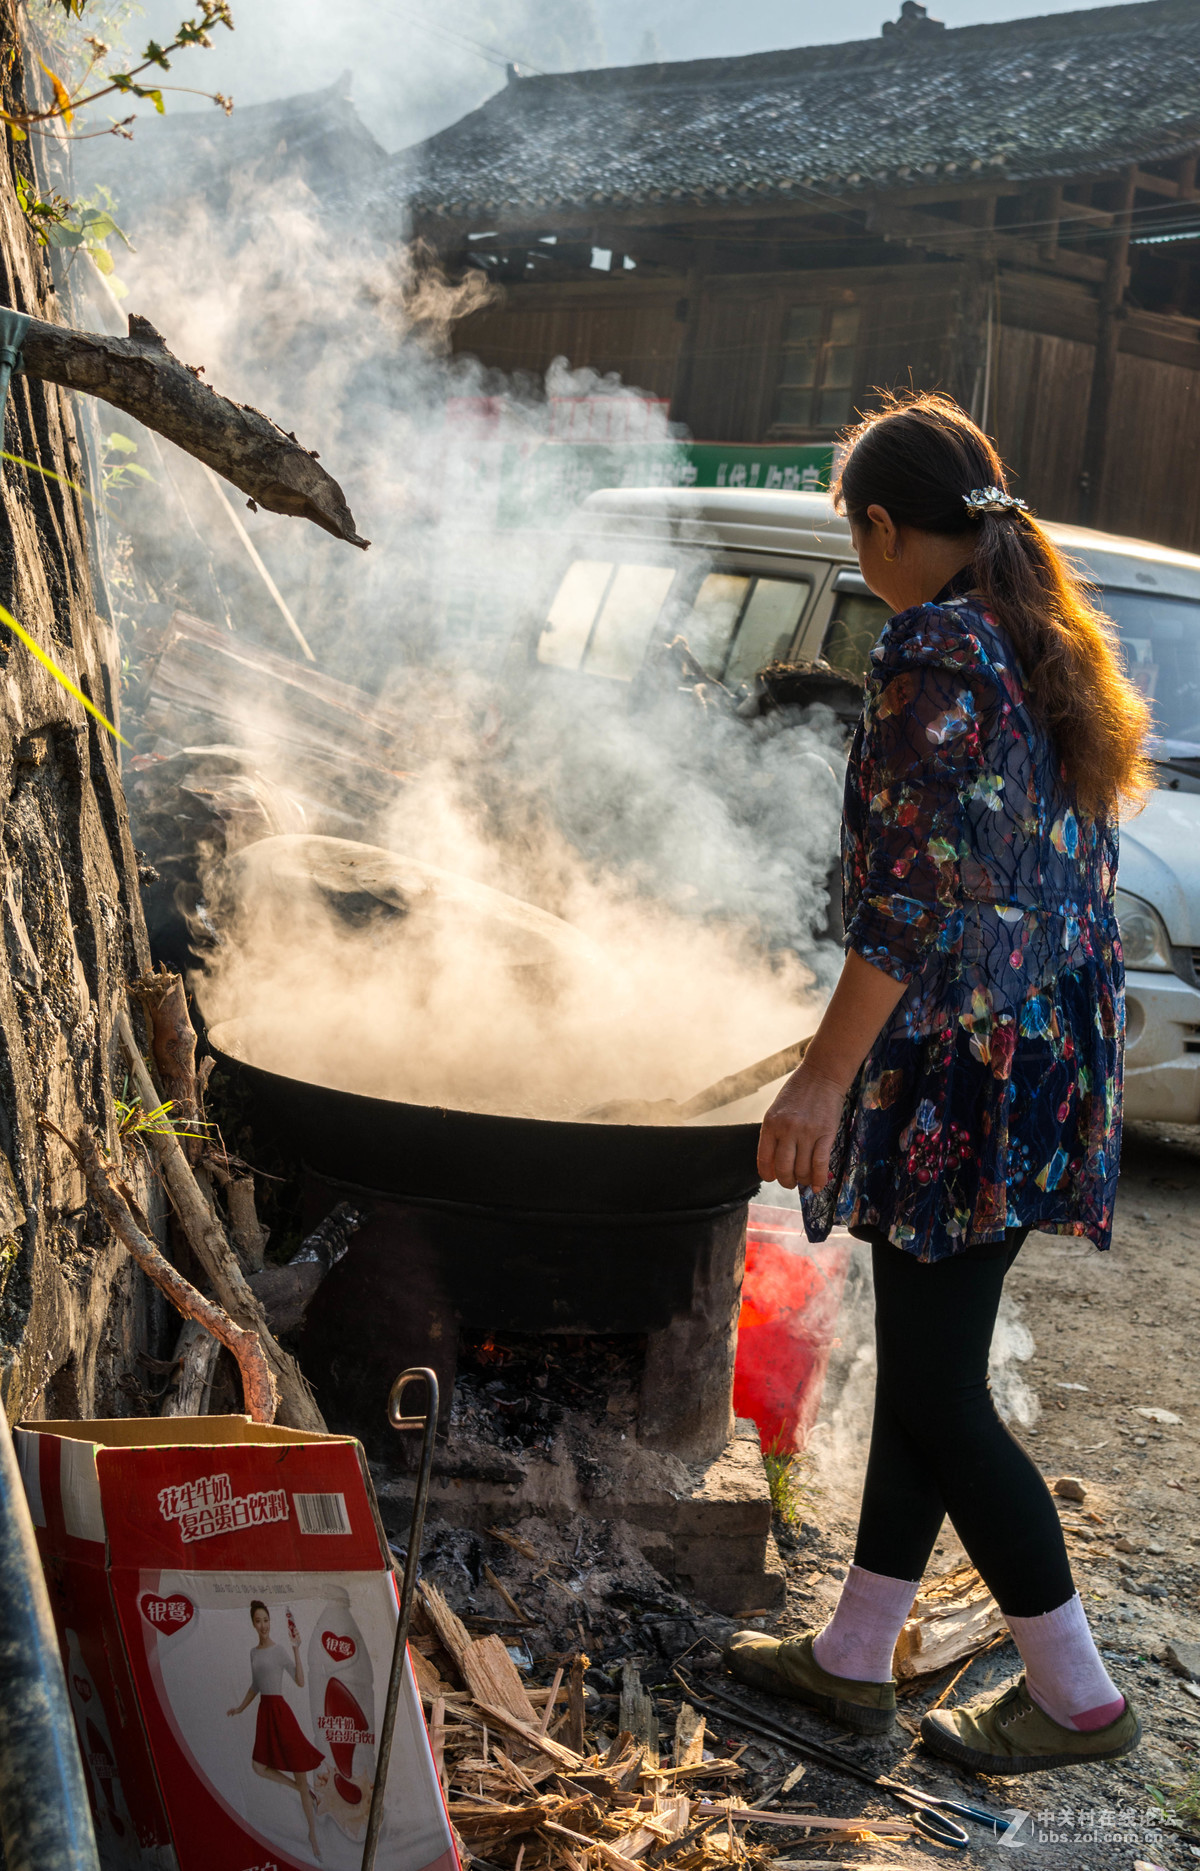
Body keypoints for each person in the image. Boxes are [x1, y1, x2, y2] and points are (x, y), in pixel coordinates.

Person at [727, 392, 1149, 1775]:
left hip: (963, 1071)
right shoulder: (1043, 645)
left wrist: (822, 1076)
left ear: (888, 528)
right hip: (1040, 1062)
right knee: (926, 1366)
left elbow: (910, 895)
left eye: (861, 538)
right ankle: (857, 1652)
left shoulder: (933, 649)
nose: (862, 565)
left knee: (942, 1393)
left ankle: (1076, 1691)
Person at [228, 1601, 323, 1856]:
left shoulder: (280, 1650)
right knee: (258, 1766)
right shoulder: (253, 1653)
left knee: (300, 1772)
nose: (263, 1626)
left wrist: (296, 1650)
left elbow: (300, 1682)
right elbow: (255, 1686)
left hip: (281, 1713)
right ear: (253, 1624)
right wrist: (240, 1708)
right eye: (258, 1621)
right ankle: (302, 1791)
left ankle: (312, 1836)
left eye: (266, 1620)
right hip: (264, 1713)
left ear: (270, 1622)